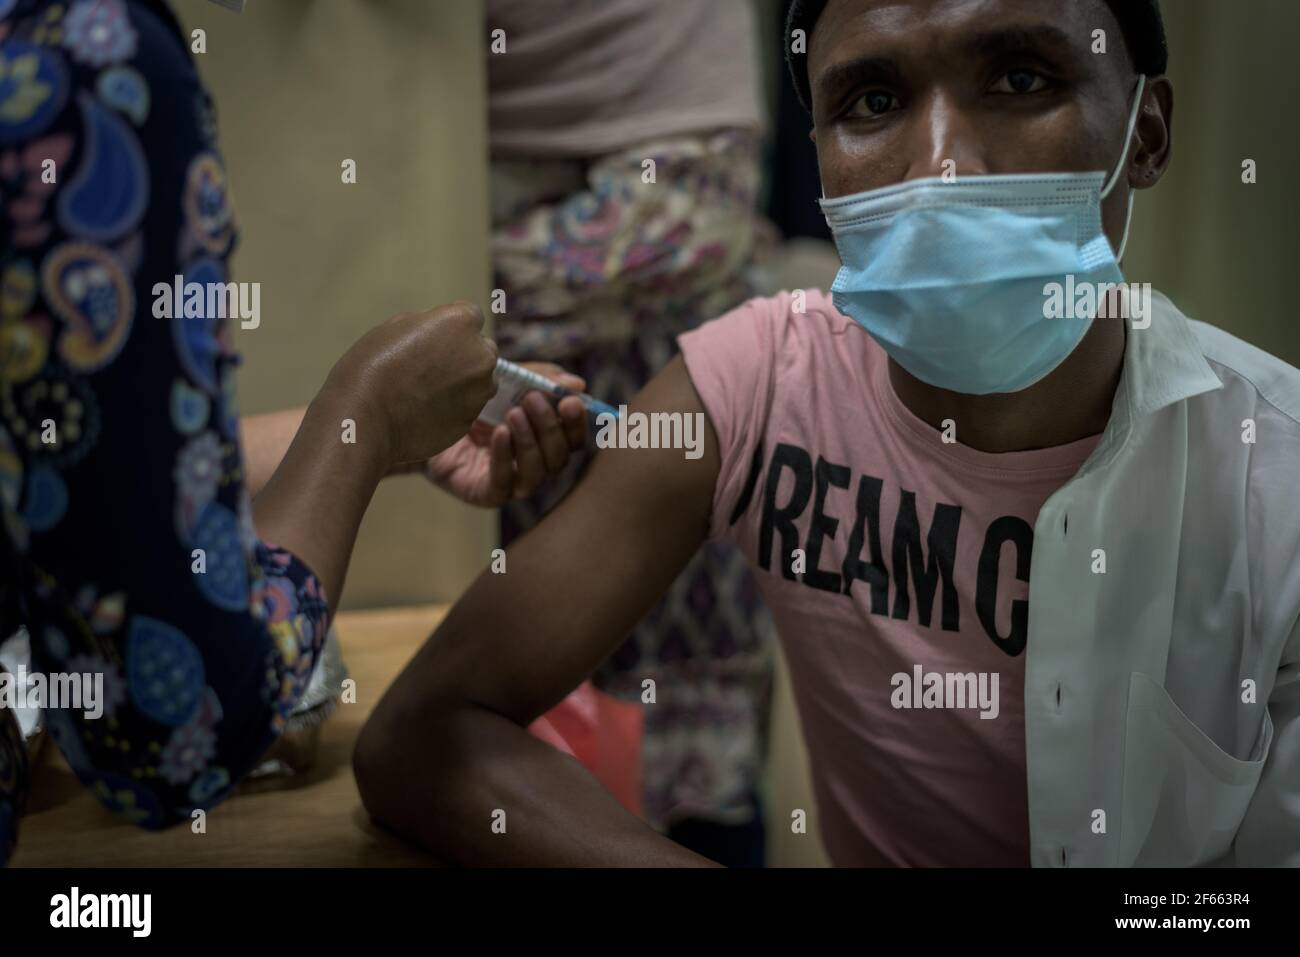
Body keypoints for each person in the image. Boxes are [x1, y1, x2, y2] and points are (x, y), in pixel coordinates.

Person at [354, 0, 1300, 866]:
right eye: (874, 99)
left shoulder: (1276, 482)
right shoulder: (761, 384)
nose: (941, 167)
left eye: (1020, 80)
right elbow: (421, 737)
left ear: (1147, 131)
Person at [0, 0, 583, 866]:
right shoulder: (92, 60)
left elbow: (80, 472)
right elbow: (173, 728)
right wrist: (365, 414)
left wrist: (375, 437)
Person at [486, 0, 777, 864]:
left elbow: (701, 217)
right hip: (507, 420)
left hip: (669, 332)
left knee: (693, 768)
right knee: (498, 743)